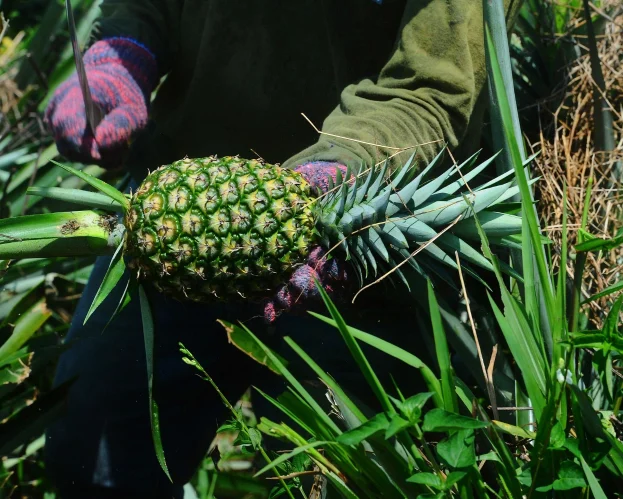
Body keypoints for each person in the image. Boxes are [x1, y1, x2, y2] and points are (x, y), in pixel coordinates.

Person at [43, 1, 522, 497]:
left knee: (331, 480)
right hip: (173, 216)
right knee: (91, 462)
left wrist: (339, 172)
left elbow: (431, 89)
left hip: (351, 246)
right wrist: (124, 55)